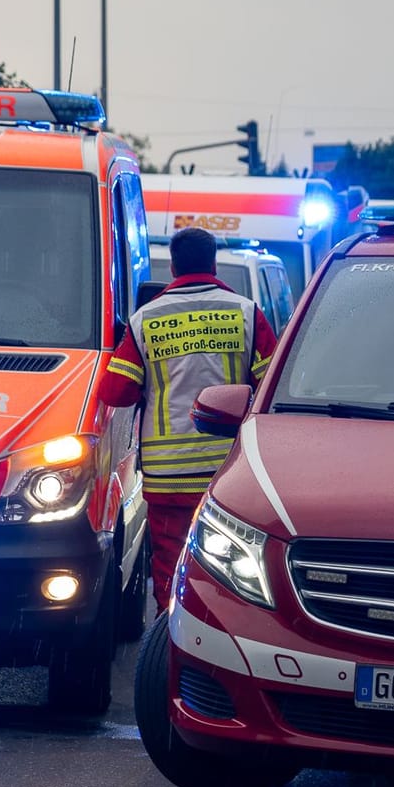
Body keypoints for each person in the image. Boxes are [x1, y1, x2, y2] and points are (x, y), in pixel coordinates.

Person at [97, 226, 279, 617]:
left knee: (171, 569)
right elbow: (271, 388)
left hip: (170, 478)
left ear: (174, 266)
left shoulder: (146, 319)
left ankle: (173, 648)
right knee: (234, 574)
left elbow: (115, 393)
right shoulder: (245, 313)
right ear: (214, 263)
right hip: (230, 474)